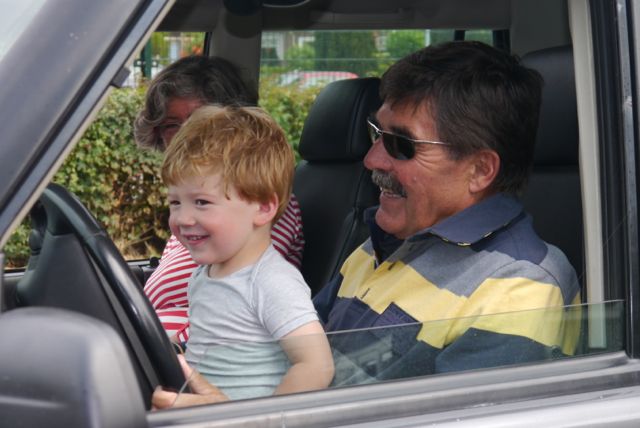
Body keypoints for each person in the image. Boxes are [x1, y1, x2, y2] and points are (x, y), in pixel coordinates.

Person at [313, 40, 581, 383]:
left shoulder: (520, 288)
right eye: (376, 133)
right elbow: (300, 352)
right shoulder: (381, 243)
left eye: (401, 144)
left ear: (480, 170)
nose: (371, 160)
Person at [153, 105, 333, 406]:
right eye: (175, 203)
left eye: (201, 202)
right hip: (204, 408)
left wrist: (261, 420)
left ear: (263, 208)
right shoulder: (205, 273)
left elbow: (317, 365)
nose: (182, 218)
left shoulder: (271, 281)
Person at [134, 56, 305, 343]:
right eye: (173, 124)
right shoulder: (193, 214)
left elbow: (233, 308)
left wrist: (161, 344)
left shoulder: (257, 208)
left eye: (200, 119)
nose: (188, 134)